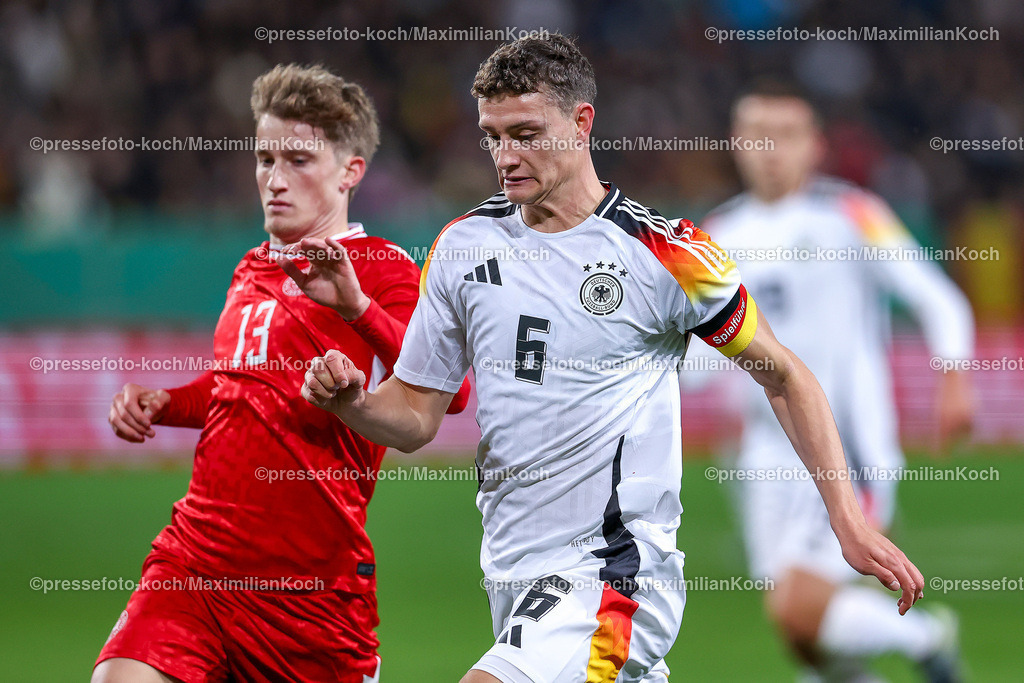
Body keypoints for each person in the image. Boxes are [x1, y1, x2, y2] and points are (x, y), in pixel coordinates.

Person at [288, 36, 924, 683]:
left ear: (581, 122)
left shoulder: (664, 254)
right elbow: (417, 415)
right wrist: (354, 403)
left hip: (616, 572)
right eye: (493, 136)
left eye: (526, 134)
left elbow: (784, 374)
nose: (506, 157)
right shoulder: (462, 247)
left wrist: (847, 520)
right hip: (512, 571)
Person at [93, 63, 469, 683]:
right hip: (196, 562)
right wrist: (166, 402)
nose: (274, 179)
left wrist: (357, 309)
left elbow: (449, 394)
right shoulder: (250, 267)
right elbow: (233, 388)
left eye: (298, 160)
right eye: (265, 159)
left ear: (351, 171)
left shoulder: (383, 268)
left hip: (310, 593)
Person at [690, 79, 973, 682]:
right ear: (736, 144)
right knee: (802, 637)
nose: (772, 150)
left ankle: (924, 634)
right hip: (764, 458)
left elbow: (937, 298)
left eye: (787, 135)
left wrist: (955, 375)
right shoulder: (714, 236)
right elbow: (699, 357)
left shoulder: (852, 215)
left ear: (814, 145)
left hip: (849, 449)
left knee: (799, 606)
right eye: (758, 135)